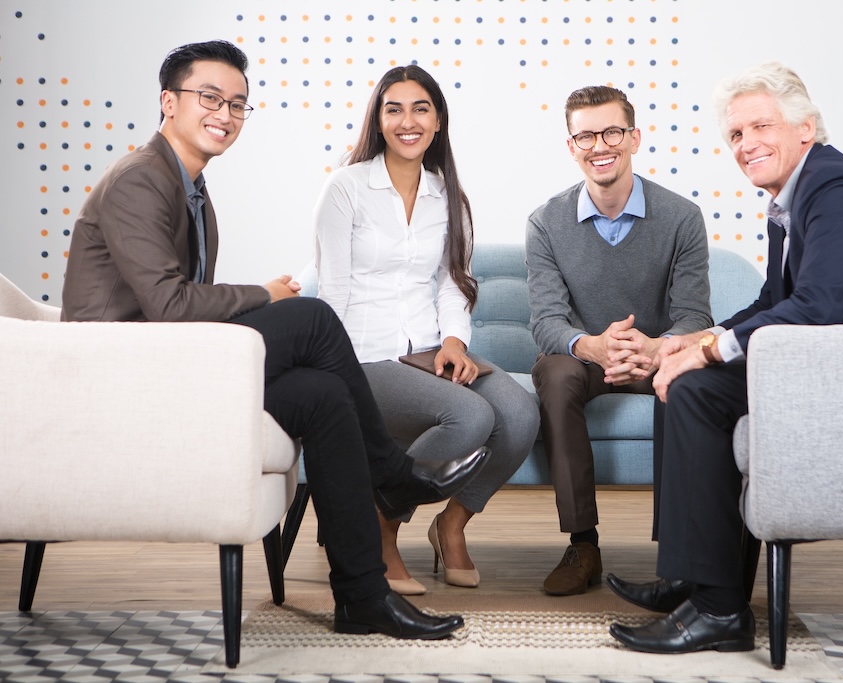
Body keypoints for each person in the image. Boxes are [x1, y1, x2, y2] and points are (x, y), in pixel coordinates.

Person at [60, 40, 491, 640]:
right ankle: (392, 470)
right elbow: (168, 305)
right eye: (209, 97)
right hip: (128, 378)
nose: (226, 113)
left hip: (163, 362)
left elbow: (172, 309)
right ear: (168, 101)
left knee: (323, 395)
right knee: (311, 318)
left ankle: (362, 595)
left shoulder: (191, 189)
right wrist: (262, 294)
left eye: (238, 103)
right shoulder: (140, 180)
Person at [608, 62, 843, 654]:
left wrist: (711, 350)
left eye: (760, 126)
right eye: (736, 135)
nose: (747, 144)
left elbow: (819, 304)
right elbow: (777, 301)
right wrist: (691, 343)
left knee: (694, 386)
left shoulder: (836, 187)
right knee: (678, 378)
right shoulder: (791, 200)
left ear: (806, 128)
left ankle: (720, 613)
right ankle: (694, 577)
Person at [313, 64, 539, 593]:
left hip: (430, 348)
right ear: (378, 119)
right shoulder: (345, 188)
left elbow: (451, 282)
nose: (407, 121)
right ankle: (380, 529)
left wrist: (456, 341)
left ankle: (452, 524)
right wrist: (335, 373)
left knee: (520, 413)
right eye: (394, 109)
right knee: (468, 414)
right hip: (363, 356)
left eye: (421, 109)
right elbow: (334, 290)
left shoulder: (448, 195)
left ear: (438, 121)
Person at [525, 85, 713, 596]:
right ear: (571, 145)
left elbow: (695, 315)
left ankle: (679, 556)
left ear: (633, 137)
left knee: (688, 374)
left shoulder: (681, 217)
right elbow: (546, 322)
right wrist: (594, 346)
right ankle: (583, 544)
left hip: (655, 353)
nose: (598, 144)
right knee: (555, 370)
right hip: (588, 357)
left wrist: (652, 349)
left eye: (610, 131)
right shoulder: (545, 223)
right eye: (585, 135)